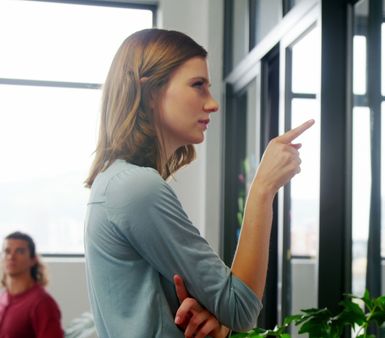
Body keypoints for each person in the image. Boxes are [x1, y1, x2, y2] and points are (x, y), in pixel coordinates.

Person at [84, 28, 314, 338]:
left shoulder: (117, 182)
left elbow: (218, 312)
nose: (213, 104)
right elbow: (241, 307)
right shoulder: (136, 188)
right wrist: (263, 189)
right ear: (150, 92)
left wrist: (214, 319)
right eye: (198, 86)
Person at [0, 232, 65, 338]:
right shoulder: (3, 297)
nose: (11, 256)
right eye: (7, 251)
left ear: (33, 260)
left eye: (20, 251)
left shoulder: (42, 303)